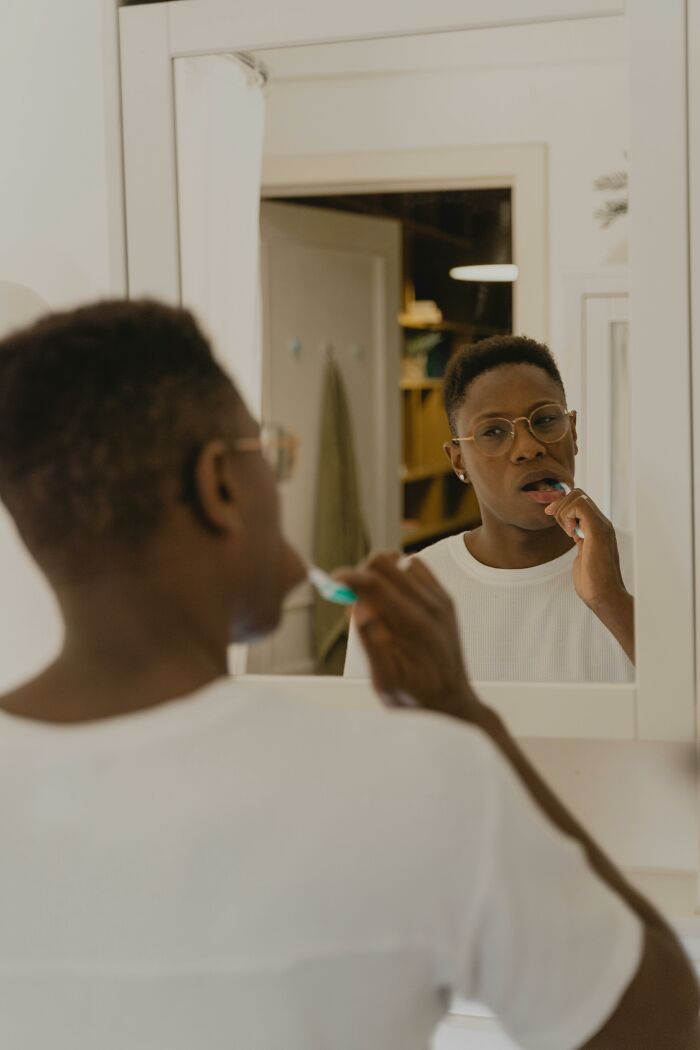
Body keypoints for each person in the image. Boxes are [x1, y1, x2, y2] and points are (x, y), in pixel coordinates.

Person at [0, 300, 695, 1050]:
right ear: (220, 485)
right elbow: (664, 1024)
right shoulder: (421, 782)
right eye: (270, 452)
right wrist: (468, 721)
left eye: (544, 421)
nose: (525, 446)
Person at [345, 335, 635, 683]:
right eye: (494, 431)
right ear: (458, 461)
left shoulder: (656, 568)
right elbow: (371, 734)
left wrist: (611, 599)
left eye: (544, 421)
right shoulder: (398, 600)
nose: (528, 448)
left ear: (572, 433)